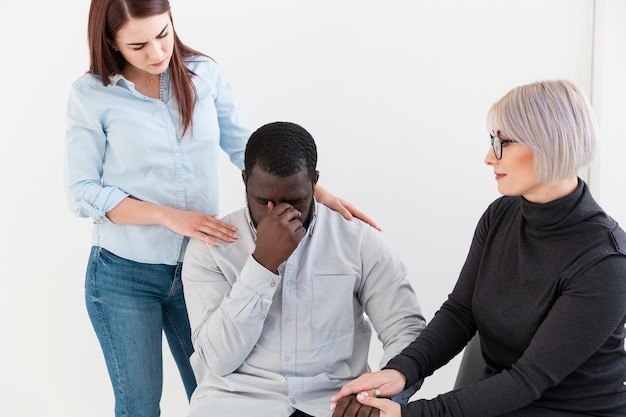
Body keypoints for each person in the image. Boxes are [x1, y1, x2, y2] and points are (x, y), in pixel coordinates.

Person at [63, 1, 379, 416]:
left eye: (163, 34)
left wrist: (316, 193)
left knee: (222, 393)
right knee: (139, 406)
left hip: (203, 271)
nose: (157, 53)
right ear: (111, 43)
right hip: (124, 274)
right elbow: (81, 192)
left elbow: (246, 149)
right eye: (138, 45)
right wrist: (168, 216)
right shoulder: (93, 95)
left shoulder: (203, 75)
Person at [330, 79, 626, 417]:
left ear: (547, 144)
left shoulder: (606, 261)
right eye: (492, 140)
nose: (489, 157)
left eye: (502, 142)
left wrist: (409, 415)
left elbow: (529, 379)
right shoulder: (501, 215)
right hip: (501, 400)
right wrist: (400, 371)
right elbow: (460, 313)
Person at [181, 121, 426, 417]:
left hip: (334, 404)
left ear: (314, 183)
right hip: (237, 404)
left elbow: (406, 331)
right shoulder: (210, 248)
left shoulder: (358, 241)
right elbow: (217, 359)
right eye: (263, 201)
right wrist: (263, 265)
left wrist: (376, 393)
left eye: (295, 200)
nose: (280, 214)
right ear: (245, 181)